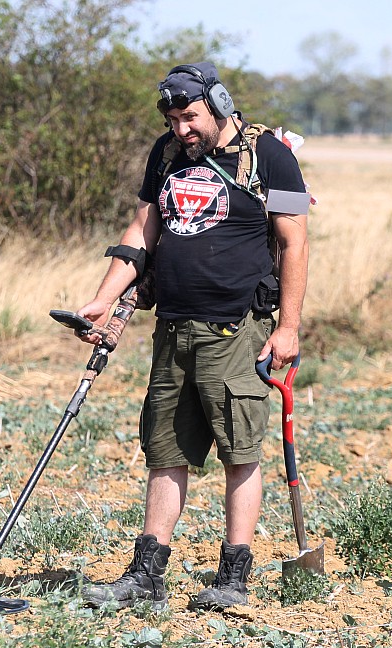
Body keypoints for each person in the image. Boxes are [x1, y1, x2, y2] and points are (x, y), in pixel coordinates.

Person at [77, 62, 309, 610]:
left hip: (237, 329)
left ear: (220, 105)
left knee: (239, 451)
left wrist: (289, 326)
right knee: (165, 451)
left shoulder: (270, 156)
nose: (182, 129)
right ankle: (145, 575)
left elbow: (296, 244)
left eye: (191, 117)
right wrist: (103, 298)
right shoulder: (166, 155)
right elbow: (141, 230)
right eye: (174, 119)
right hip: (173, 327)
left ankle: (234, 576)